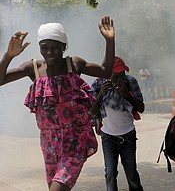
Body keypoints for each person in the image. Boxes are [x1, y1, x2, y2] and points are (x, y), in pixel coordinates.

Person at [0, 15, 115, 191]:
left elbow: (105, 72)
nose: (49, 52)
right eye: (44, 47)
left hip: (75, 141)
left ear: (64, 47)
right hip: (49, 144)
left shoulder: (73, 64)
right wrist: (9, 55)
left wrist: (110, 40)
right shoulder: (34, 68)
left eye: (55, 47)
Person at [90, 56, 144, 191]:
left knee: (131, 172)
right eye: (116, 74)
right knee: (110, 173)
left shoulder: (130, 81)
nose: (120, 77)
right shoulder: (98, 84)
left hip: (128, 136)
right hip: (108, 137)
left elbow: (141, 108)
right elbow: (90, 111)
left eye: (122, 73)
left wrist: (128, 95)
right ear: (107, 73)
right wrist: (101, 95)